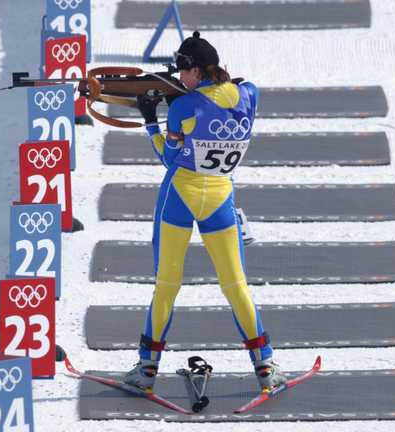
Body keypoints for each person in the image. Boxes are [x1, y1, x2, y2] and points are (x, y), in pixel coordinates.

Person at [123, 31, 287, 393]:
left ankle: (147, 370)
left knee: (167, 286)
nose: (181, 80)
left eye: (184, 73)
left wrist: (151, 120)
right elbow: (240, 88)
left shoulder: (184, 107)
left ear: (196, 71)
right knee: (236, 286)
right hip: (220, 199)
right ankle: (266, 368)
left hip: (180, 196)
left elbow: (169, 157)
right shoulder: (249, 96)